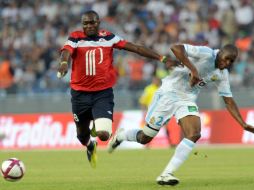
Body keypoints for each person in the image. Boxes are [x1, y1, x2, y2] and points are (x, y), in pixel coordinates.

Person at [108, 43, 254, 185]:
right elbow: (176, 48)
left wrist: (243, 123)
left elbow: (228, 101)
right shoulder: (205, 53)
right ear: (220, 52)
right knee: (145, 137)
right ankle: (121, 136)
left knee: (194, 133)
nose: (227, 63)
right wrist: (193, 70)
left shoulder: (222, 74)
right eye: (226, 58)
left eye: (231, 61)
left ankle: (166, 174)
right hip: (168, 94)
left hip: (187, 100)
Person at [57, 10, 175, 168]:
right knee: (81, 135)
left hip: (102, 93)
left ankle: (96, 129)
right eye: (85, 23)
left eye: (92, 22)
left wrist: (162, 58)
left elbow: (135, 48)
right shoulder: (76, 37)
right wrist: (64, 63)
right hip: (80, 94)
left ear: (98, 22)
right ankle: (90, 146)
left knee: (104, 135)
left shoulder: (108, 37)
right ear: (82, 25)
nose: (89, 26)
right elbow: (66, 52)